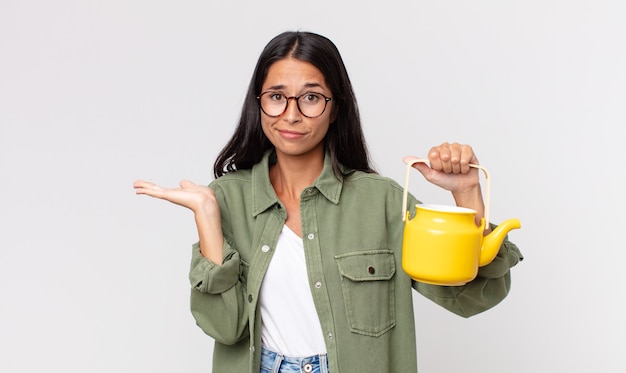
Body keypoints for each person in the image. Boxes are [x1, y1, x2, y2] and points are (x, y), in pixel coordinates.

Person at [133, 31, 523, 373]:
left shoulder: (382, 201)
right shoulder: (226, 199)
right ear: (259, 103)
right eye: (276, 97)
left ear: (335, 107)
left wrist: (468, 192)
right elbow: (224, 327)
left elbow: (472, 297)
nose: (291, 114)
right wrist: (206, 214)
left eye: (311, 98)